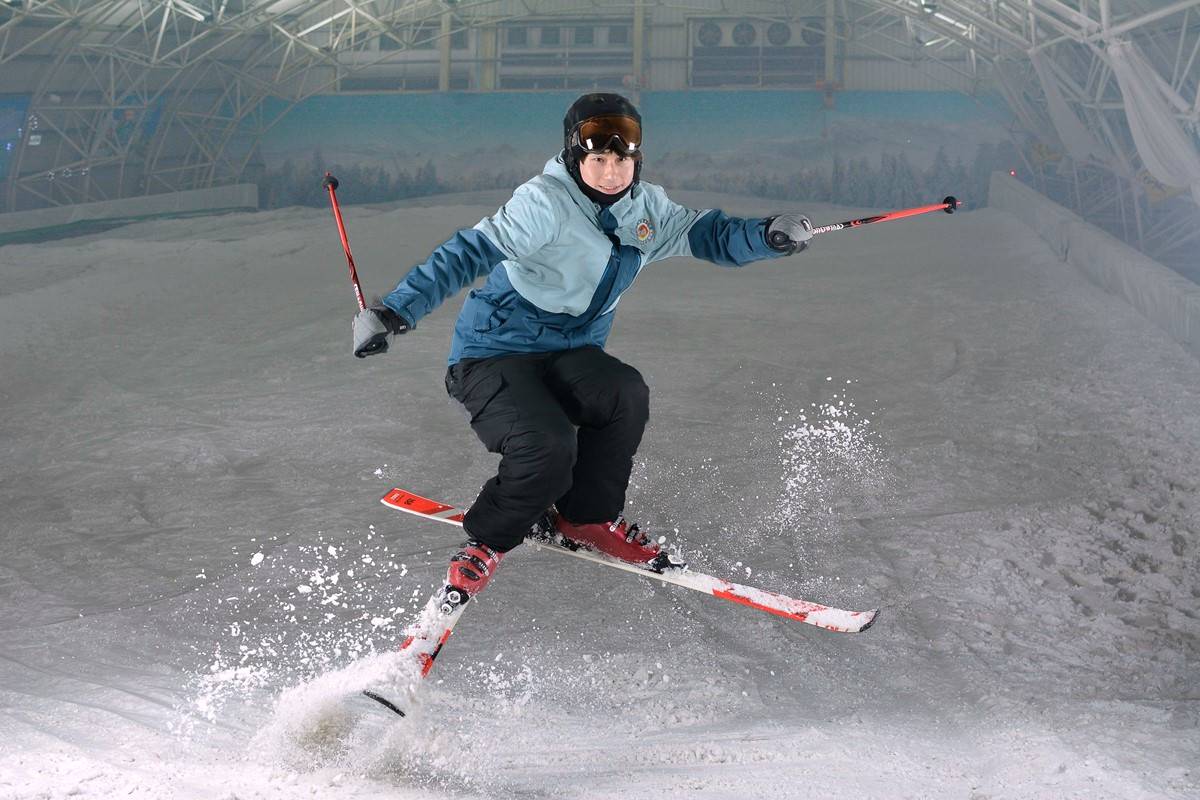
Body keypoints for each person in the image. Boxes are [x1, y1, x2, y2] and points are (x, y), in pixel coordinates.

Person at [352, 92, 813, 597]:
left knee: (625, 394)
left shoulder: (647, 208)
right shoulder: (545, 202)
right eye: (599, 159)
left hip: (570, 352)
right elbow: (468, 253)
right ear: (576, 157)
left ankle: (586, 517)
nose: (613, 172)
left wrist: (767, 235)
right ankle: (486, 540)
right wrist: (395, 311)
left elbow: (710, 234)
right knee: (548, 445)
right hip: (494, 352)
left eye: (623, 160)